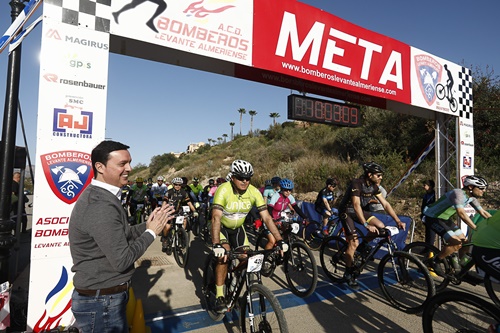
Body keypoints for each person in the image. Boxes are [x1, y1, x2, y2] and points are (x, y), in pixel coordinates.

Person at [69, 140, 175, 333]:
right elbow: (123, 259)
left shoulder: (105, 196)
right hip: (101, 302)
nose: (129, 168)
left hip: (105, 298)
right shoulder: (100, 204)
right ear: (100, 167)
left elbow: (123, 234)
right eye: (122, 164)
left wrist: (151, 223)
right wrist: (152, 232)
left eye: (129, 162)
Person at [211, 160, 288, 313]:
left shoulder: (254, 192)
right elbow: (216, 218)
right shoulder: (223, 190)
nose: (245, 181)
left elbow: (266, 217)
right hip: (222, 228)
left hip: (238, 229)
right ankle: (219, 295)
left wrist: (279, 240)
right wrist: (216, 244)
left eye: (248, 178)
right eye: (241, 177)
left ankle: (234, 285)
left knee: (246, 258)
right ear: (233, 177)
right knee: (224, 256)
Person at [338, 162, 406, 287]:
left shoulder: (374, 187)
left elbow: (385, 204)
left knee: (380, 226)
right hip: (347, 211)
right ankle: (348, 273)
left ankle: (363, 246)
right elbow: (356, 205)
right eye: (378, 175)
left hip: (360, 211)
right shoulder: (356, 184)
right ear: (370, 175)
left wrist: (397, 220)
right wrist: (365, 224)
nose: (381, 178)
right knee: (353, 243)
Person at [423, 175, 492, 275]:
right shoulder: (458, 194)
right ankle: (435, 261)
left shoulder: (471, 198)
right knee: (456, 243)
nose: (484, 190)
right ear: (470, 187)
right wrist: (476, 228)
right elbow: (461, 214)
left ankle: (461, 269)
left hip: (445, 219)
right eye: (481, 188)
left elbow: (483, 212)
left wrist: (495, 223)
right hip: (433, 218)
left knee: (465, 242)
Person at [265, 178, 308, 249]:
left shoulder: (290, 197)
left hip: (279, 218)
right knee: (272, 241)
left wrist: (305, 218)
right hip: (270, 218)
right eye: (285, 190)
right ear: (281, 189)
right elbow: (270, 209)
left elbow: (296, 208)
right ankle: (264, 258)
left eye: (290, 190)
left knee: (287, 235)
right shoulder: (276, 196)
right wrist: (272, 219)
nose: (288, 192)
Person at [161, 177, 197, 253]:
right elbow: (164, 202)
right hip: (169, 212)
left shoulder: (184, 192)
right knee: (167, 227)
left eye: (179, 185)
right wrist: (162, 210)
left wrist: (194, 211)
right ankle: (165, 239)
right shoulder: (169, 192)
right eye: (176, 184)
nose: (177, 186)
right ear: (173, 184)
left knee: (184, 221)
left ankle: (181, 236)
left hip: (178, 211)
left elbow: (189, 203)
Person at [420, 179, 436, 247]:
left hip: (432, 216)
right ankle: (426, 247)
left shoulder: (434, 195)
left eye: (425, 185)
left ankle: (430, 249)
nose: (423, 187)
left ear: (430, 186)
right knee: (427, 233)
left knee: (431, 233)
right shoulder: (426, 195)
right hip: (425, 216)